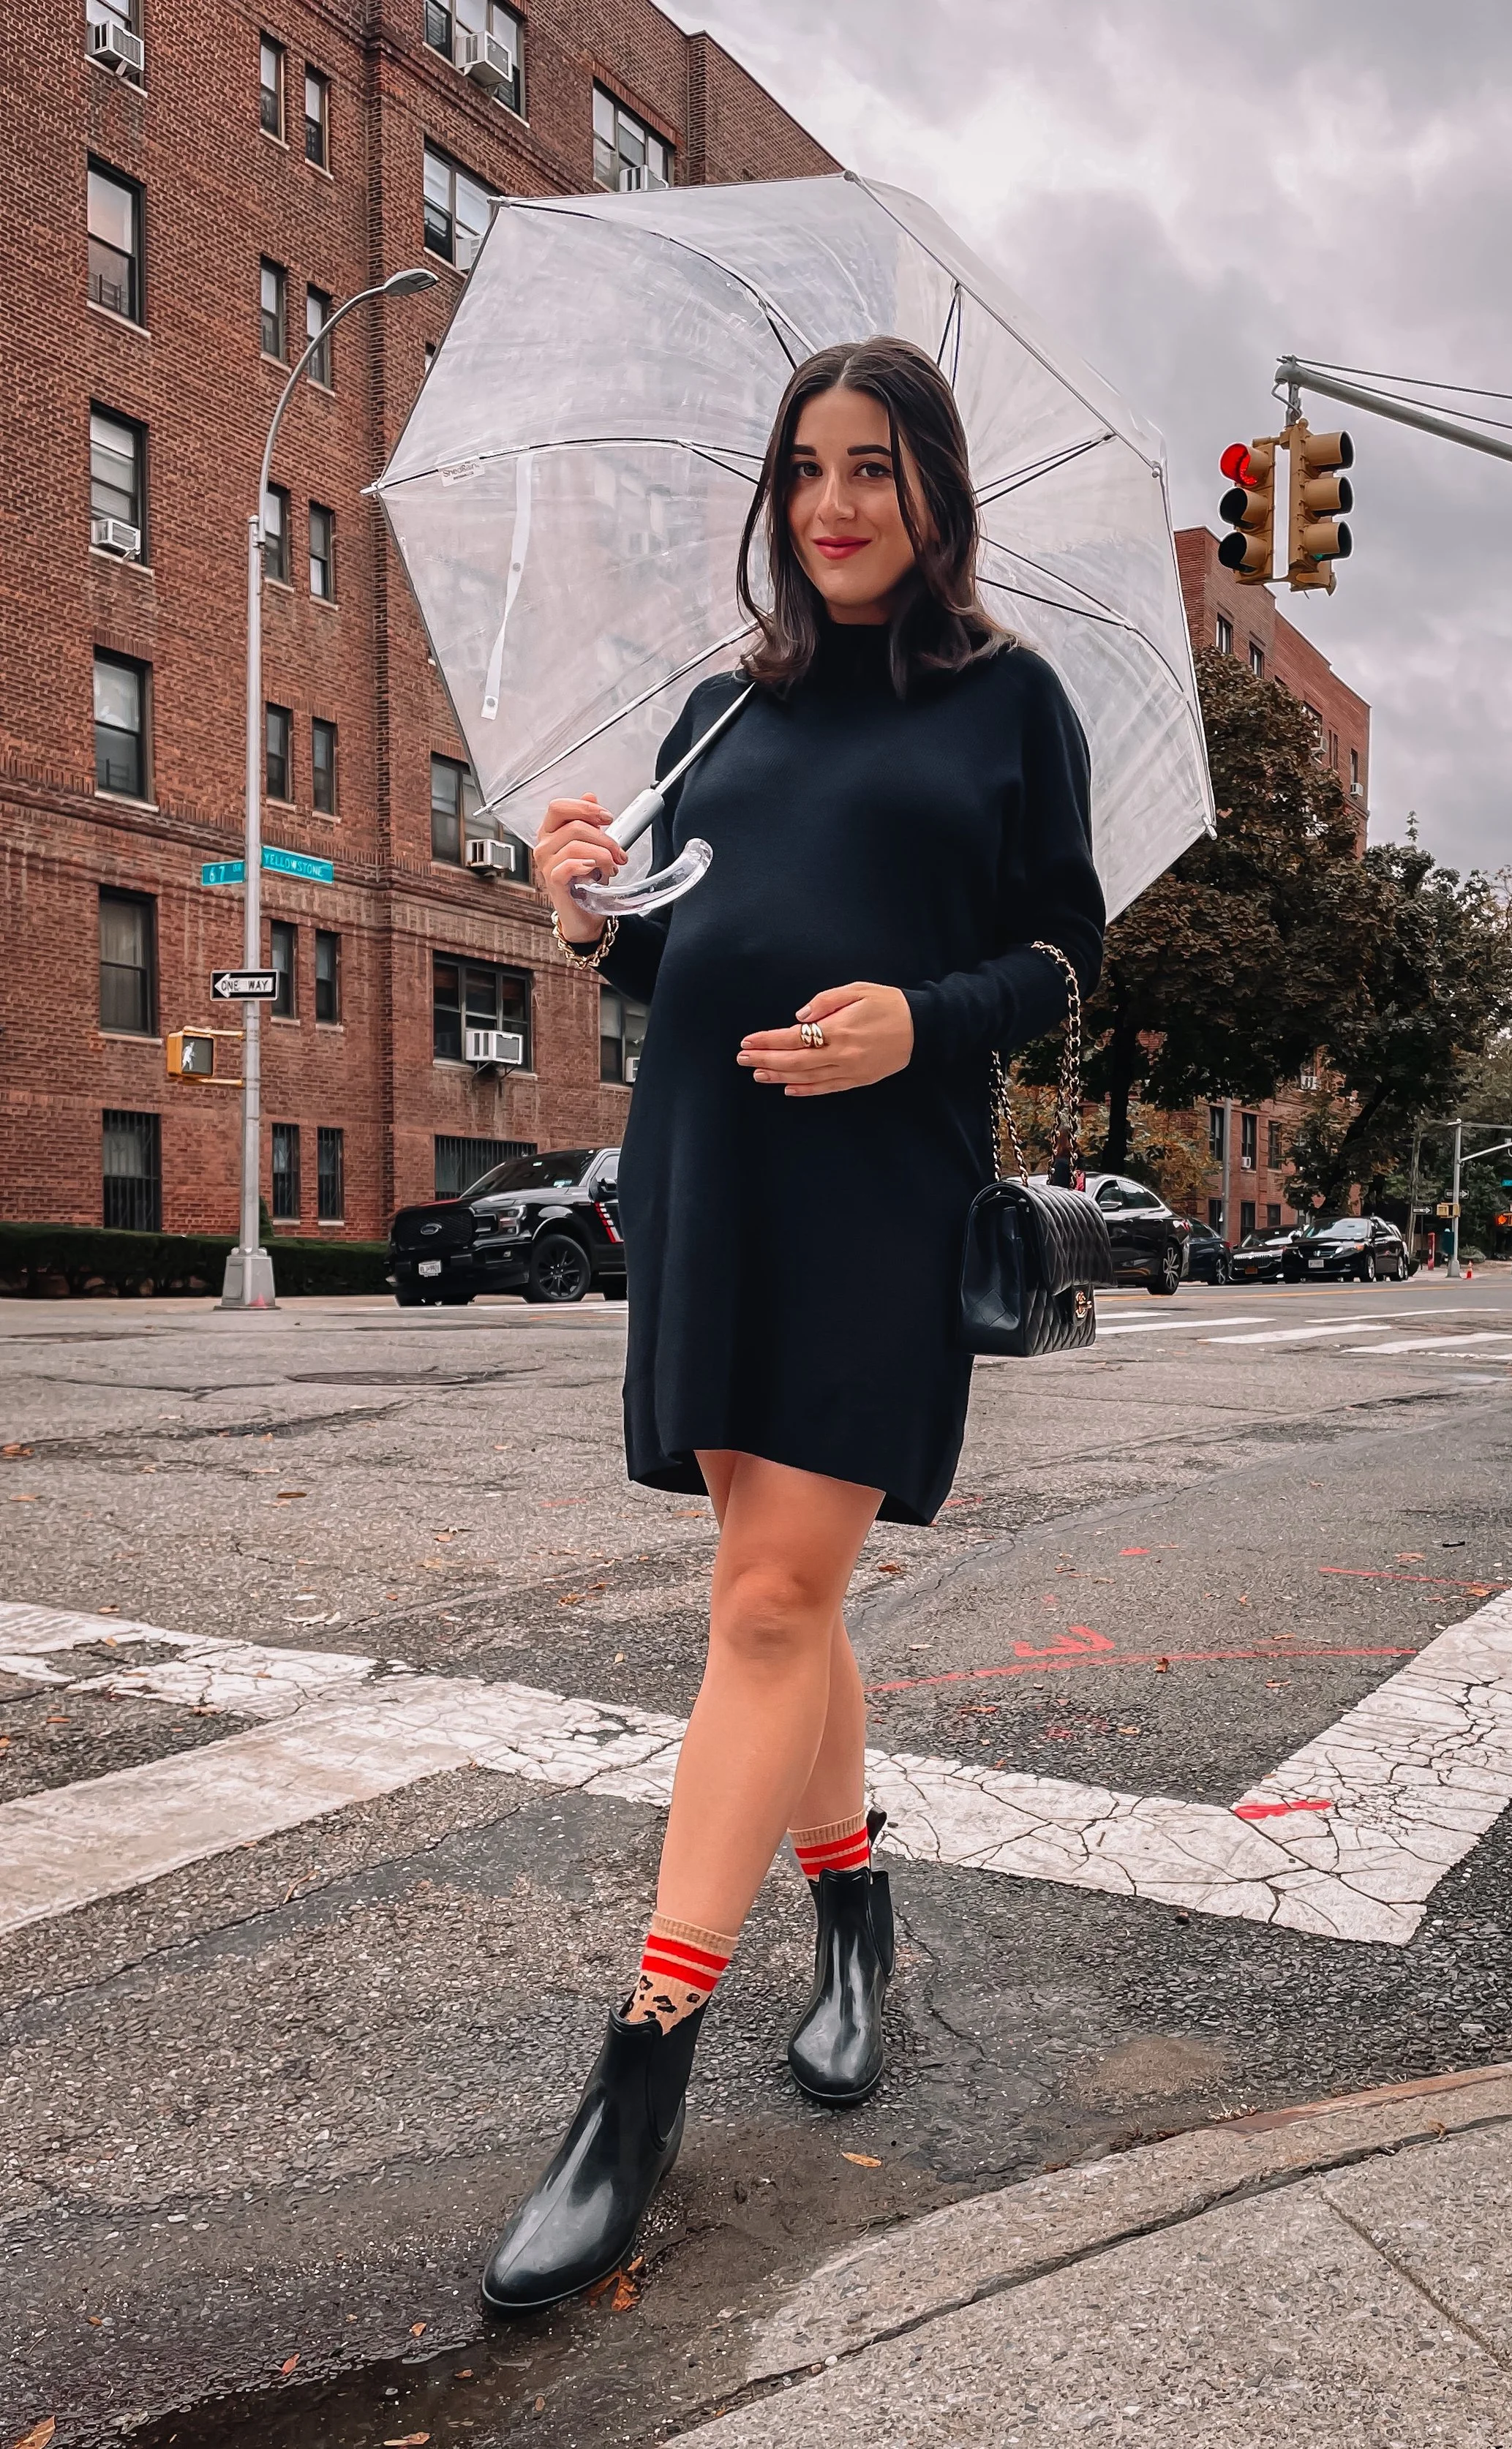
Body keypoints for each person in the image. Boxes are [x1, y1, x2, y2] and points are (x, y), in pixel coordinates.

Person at [481, 334, 1105, 2314]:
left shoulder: (1012, 703)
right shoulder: (714, 708)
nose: (836, 501)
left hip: (872, 1184)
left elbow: (1061, 952)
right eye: (809, 468)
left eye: (875, 466)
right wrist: (582, 906)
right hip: (705, 1172)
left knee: (761, 1607)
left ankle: (634, 2077)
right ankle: (853, 1914)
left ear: (935, 489)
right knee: (778, 1590)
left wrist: (924, 1014)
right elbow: (673, 933)